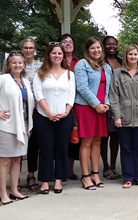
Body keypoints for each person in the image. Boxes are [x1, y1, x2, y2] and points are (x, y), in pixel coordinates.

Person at [33, 42, 75, 194]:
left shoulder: (69, 74)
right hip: (44, 117)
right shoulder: (40, 73)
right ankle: (45, 181)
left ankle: (58, 180)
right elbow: (38, 95)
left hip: (64, 117)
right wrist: (49, 113)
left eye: (59, 53)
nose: (56, 56)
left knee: (62, 148)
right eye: (54, 53)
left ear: (63, 56)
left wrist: (65, 112)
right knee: (46, 148)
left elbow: (71, 96)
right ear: (48, 55)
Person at [110, 44, 138, 188]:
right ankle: (128, 177)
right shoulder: (117, 73)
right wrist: (116, 116)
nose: (133, 57)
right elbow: (113, 96)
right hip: (124, 115)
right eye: (130, 54)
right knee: (126, 148)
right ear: (126, 56)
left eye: (135, 54)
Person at [74, 37, 112, 190]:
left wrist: (106, 104)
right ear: (87, 50)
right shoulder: (81, 64)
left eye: (98, 48)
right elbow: (82, 88)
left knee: (98, 141)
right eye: (93, 48)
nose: (96, 50)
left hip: (102, 108)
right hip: (86, 107)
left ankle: (95, 173)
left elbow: (108, 88)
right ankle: (85, 176)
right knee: (87, 142)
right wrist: (96, 104)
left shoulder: (106, 67)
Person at [0, 51, 34, 204]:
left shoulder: (26, 81)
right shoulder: (3, 79)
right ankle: (3, 194)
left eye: (20, 62)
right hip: (7, 125)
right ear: (8, 64)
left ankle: (14, 190)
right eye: (14, 62)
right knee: (4, 161)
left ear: (24, 64)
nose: (17, 65)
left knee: (17, 160)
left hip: (24, 125)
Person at [58, 34, 80, 181]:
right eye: (64, 42)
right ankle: (60, 169)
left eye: (70, 42)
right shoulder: (55, 60)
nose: (67, 44)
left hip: (74, 104)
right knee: (60, 139)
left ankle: (70, 170)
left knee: (73, 138)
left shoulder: (78, 63)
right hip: (57, 103)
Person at [20, 38, 42, 191]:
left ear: (35, 49)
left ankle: (31, 174)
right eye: (25, 47)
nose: (28, 50)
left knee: (33, 144)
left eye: (31, 47)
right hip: (19, 110)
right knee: (18, 144)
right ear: (22, 49)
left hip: (36, 110)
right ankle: (15, 178)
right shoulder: (15, 64)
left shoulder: (41, 66)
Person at [101, 36, 122, 180]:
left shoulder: (121, 62)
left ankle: (114, 166)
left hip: (120, 104)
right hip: (105, 103)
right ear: (103, 46)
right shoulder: (101, 62)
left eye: (114, 44)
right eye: (108, 44)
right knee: (104, 137)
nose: (111, 46)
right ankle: (106, 166)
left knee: (116, 137)